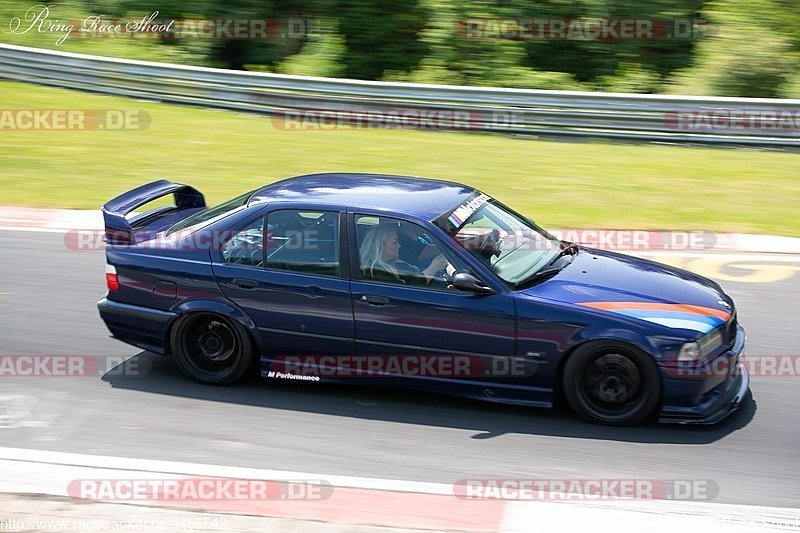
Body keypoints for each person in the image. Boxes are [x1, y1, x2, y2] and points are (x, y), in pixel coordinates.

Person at [359, 224, 453, 286]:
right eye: (395, 242)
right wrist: (434, 267)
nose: (399, 246)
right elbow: (411, 290)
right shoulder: (377, 272)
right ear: (380, 246)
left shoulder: (394, 263)